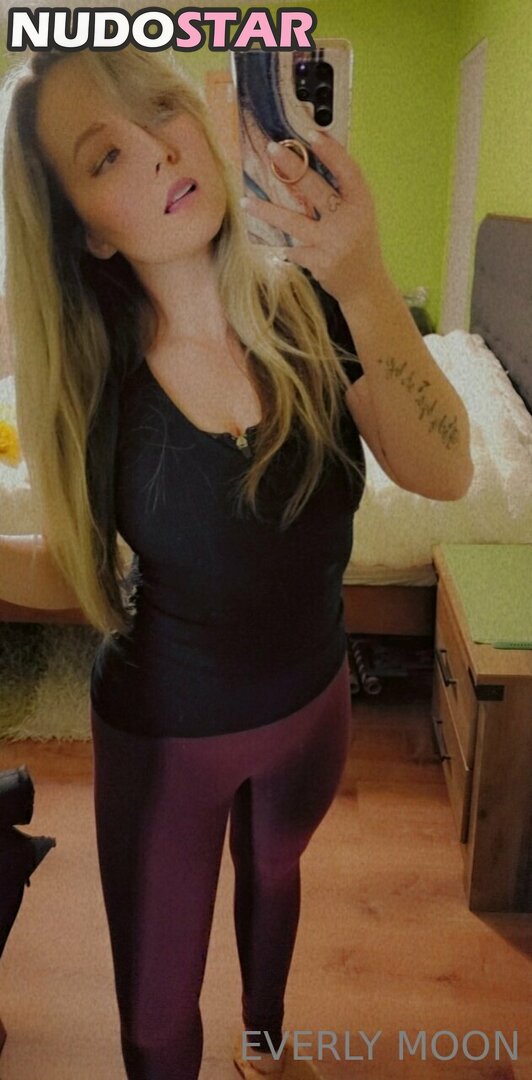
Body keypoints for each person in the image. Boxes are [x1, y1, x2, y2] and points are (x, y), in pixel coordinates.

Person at [0, 46, 473, 1080]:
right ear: (87, 228)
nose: (158, 148)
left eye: (158, 108)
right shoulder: (101, 387)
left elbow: (444, 471)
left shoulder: (312, 307)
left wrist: (363, 275)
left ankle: (265, 1047)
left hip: (315, 702)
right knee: (158, 1018)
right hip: (167, 737)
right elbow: (74, 572)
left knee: (276, 873)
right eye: (105, 155)